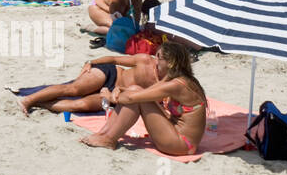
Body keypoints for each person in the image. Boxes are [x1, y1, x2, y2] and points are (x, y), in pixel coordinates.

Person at [79, 42, 209, 155]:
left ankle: (109, 139)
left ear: (170, 63)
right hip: (175, 135)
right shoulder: (176, 78)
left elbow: (132, 99)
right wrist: (124, 90)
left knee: (135, 96)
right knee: (135, 89)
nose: (155, 61)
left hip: (181, 145)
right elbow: (146, 92)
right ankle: (104, 134)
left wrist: (110, 96)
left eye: (159, 58)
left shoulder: (176, 85)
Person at [17, 49, 161, 116]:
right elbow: (114, 59)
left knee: (81, 105)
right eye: (159, 55)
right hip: (111, 73)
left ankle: (39, 103)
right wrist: (91, 62)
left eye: (162, 57)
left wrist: (114, 94)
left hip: (116, 96)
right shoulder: (146, 60)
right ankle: (28, 100)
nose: (158, 58)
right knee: (74, 89)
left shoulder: (167, 85)